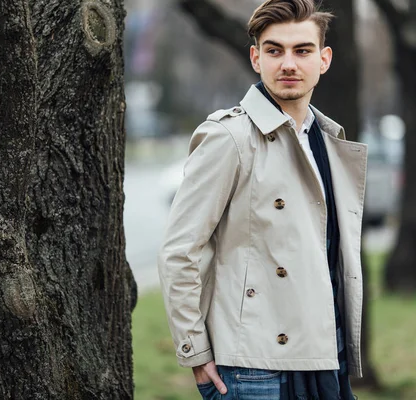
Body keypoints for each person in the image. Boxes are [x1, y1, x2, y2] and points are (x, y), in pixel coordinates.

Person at [157, 0, 367, 398]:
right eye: (275, 50)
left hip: (324, 357)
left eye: (302, 50)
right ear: (256, 58)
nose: (288, 63)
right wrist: (196, 352)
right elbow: (179, 251)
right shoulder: (230, 138)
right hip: (253, 370)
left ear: (324, 59)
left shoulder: (327, 139)